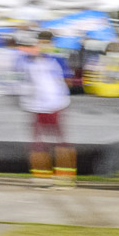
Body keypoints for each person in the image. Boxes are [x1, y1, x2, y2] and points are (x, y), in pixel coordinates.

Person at [17, 30, 76, 186]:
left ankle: (65, 177)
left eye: (46, 42)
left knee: (58, 140)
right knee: (39, 142)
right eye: (41, 42)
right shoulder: (27, 60)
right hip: (37, 105)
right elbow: (23, 79)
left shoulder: (56, 57)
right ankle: (42, 177)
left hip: (55, 104)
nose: (42, 45)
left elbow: (66, 79)